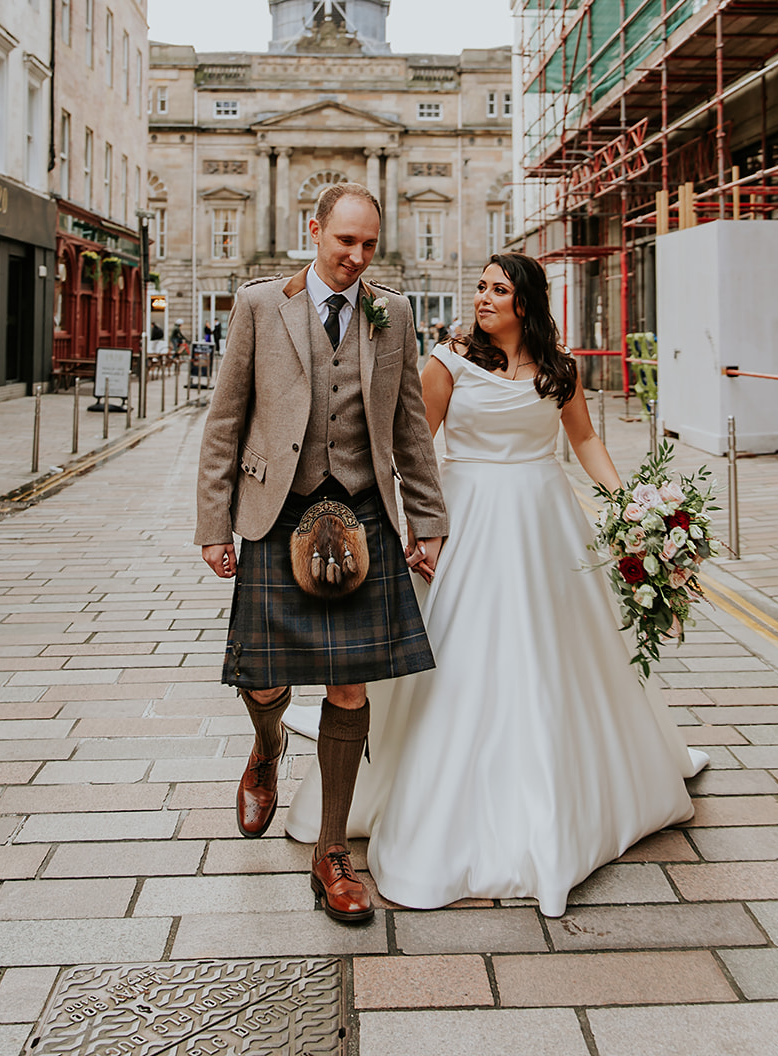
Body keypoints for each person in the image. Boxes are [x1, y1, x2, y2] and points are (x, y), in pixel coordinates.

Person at [286, 251, 707, 916]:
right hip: (467, 518)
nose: (482, 298)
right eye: (480, 287)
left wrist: (630, 504)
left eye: (498, 289)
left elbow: (586, 442)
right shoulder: (448, 360)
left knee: (554, 657)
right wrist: (411, 527)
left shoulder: (559, 370)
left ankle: (566, 793)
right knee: (460, 657)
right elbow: (414, 447)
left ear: (526, 302)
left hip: (545, 521)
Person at [196, 182, 447, 926]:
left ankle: (331, 853)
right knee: (263, 677)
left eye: (368, 245)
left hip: (364, 513)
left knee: (348, 688)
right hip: (278, 510)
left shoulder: (393, 312)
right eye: (344, 242)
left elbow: (408, 426)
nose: (356, 258)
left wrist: (426, 518)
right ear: (314, 230)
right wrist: (214, 524)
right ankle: (267, 745)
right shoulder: (257, 304)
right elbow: (225, 420)